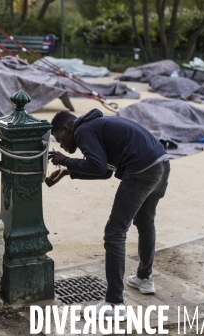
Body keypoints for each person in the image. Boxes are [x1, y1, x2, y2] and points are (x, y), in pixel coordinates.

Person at [46, 109, 170, 319]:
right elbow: (104, 172)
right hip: (161, 164)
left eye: (59, 139)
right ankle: (144, 278)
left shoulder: (82, 130)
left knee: (114, 233)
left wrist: (66, 160)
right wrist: (69, 171)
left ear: (67, 129)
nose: (61, 145)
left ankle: (114, 303)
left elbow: (97, 165)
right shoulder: (94, 126)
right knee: (145, 221)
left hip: (141, 170)